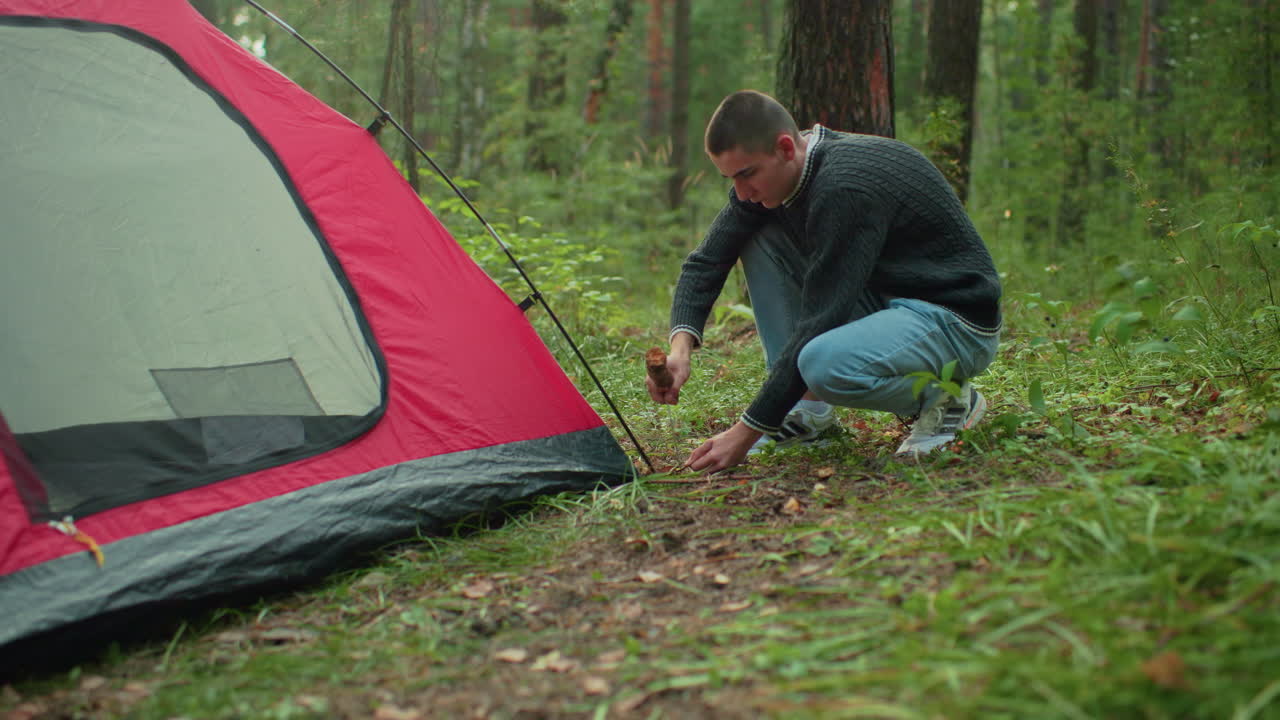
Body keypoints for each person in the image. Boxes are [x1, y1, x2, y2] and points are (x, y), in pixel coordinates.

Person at [646, 90, 1002, 473]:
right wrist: (680, 350)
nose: (741, 192)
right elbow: (705, 261)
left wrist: (745, 431)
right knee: (757, 231)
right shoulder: (782, 177)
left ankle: (946, 399)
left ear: (785, 147)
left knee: (821, 361)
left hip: (954, 321)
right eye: (730, 178)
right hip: (889, 303)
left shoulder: (844, 187)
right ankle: (807, 410)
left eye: (747, 174)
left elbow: (820, 321)